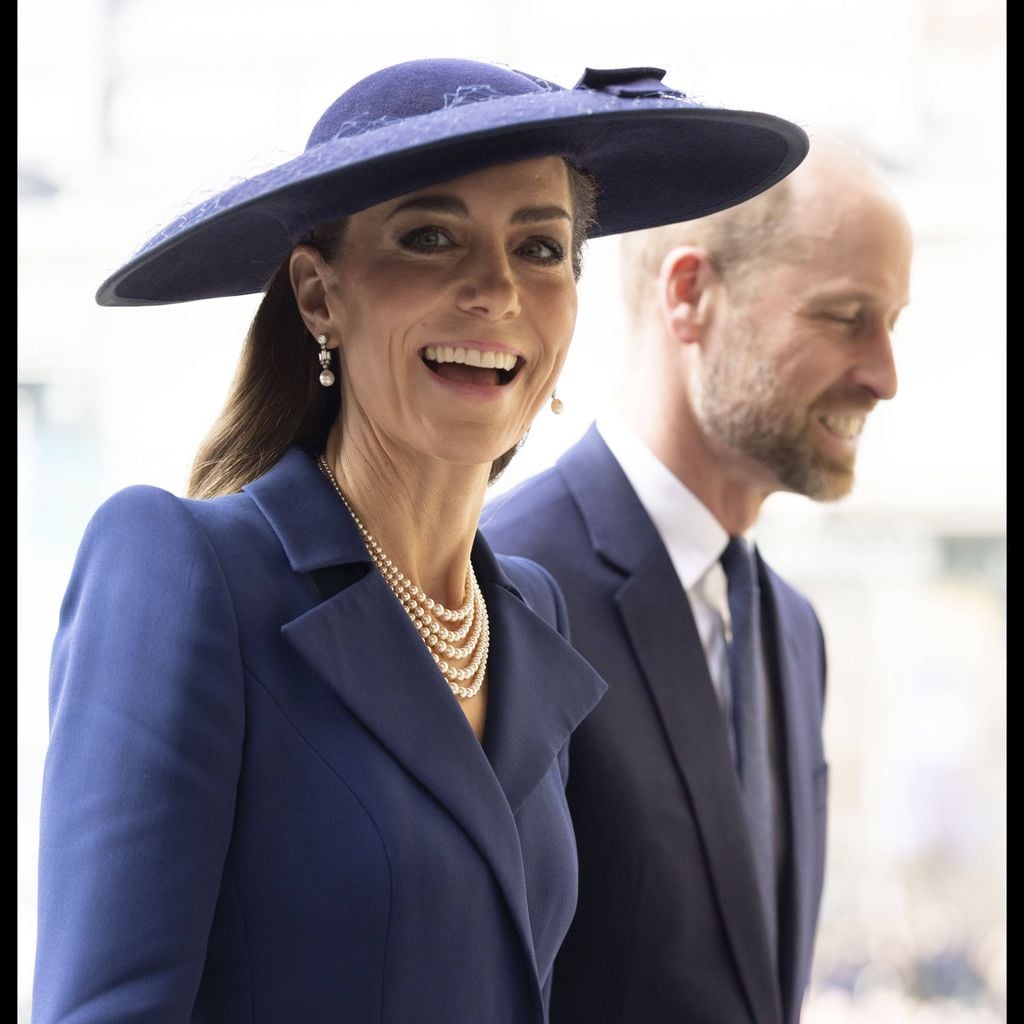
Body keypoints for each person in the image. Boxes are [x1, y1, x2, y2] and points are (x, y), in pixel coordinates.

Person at [31, 58, 810, 1023]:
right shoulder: (185, 572)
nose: (496, 290)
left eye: (540, 248)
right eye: (430, 237)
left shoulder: (527, 614)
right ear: (319, 295)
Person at [483, 136, 914, 1024]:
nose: (884, 376)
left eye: (892, 324)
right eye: (846, 317)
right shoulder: (499, 586)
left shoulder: (792, 629)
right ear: (688, 295)